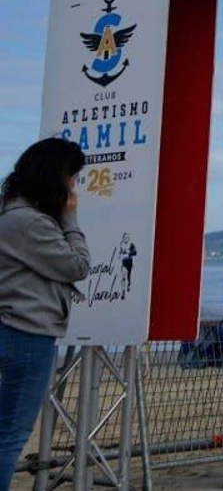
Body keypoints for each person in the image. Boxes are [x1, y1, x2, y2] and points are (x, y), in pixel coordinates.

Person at [0, 138, 90, 490]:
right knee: (10, 433)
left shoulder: (9, 212)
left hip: (10, 325)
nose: (74, 186)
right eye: (72, 177)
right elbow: (77, 265)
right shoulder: (29, 222)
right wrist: (71, 218)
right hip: (27, 333)